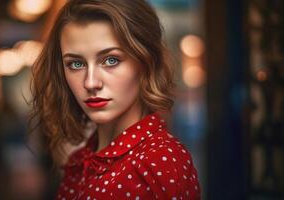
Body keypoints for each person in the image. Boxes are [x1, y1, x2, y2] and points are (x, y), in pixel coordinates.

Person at [30, 0, 201, 199]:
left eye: (111, 60)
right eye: (76, 64)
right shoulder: (80, 162)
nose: (90, 82)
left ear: (146, 62)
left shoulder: (161, 162)